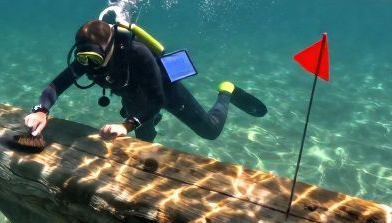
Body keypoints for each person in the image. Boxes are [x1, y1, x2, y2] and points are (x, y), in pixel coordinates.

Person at [24, 18, 265, 142]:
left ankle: (227, 91)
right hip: (131, 96)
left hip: (163, 90)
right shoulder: (87, 60)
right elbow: (56, 85)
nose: (88, 64)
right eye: (82, 57)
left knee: (210, 131)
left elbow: (157, 98)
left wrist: (127, 124)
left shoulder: (138, 53)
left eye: (94, 57)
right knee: (145, 138)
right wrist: (41, 110)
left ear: (110, 48)